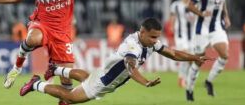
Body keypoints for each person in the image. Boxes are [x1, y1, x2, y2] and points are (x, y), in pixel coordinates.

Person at [19, 18, 214, 104]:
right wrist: (145, 82)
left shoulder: (148, 42)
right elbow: (130, 67)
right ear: (143, 32)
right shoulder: (133, 46)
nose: (156, 41)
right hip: (103, 82)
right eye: (153, 37)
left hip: (106, 74)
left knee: (85, 76)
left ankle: (55, 69)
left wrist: (194, 57)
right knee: (69, 98)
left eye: (157, 37)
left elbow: (172, 53)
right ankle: (36, 84)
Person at [185, 0, 231, 101]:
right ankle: (189, 89)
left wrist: (226, 16)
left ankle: (209, 81)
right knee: (198, 60)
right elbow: (190, 5)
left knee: (224, 55)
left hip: (217, 26)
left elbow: (222, 2)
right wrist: (201, 13)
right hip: (202, 29)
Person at [169, 0, 194, 88]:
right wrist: (171, 26)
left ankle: (185, 78)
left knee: (190, 59)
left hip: (192, 37)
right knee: (185, 55)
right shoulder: (175, 5)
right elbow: (171, 15)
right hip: (180, 36)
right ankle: (182, 79)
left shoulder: (194, 6)